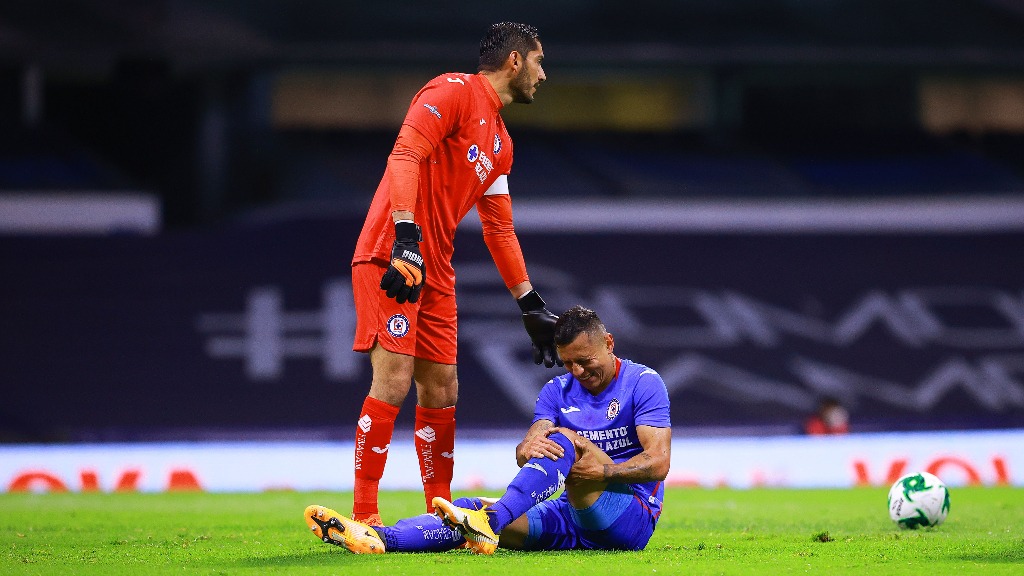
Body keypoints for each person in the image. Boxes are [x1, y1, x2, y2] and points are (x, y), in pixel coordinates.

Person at [346, 22, 562, 527]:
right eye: (539, 61)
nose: (543, 74)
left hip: (436, 267)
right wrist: (405, 237)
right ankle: (364, 515)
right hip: (394, 252)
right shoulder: (452, 91)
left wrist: (529, 303)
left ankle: (439, 516)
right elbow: (405, 155)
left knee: (442, 389)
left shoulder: (502, 144)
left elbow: (499, 230)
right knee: (394, 380)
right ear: (514, 61)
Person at [306, 305, 672, 554]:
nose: (576, 371)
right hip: (568, 515)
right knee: (464, 510)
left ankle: (491, 522)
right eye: (568, 363)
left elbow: (658, 463)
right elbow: (528, 450)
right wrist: (528, 444)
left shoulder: (643, 382)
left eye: (585, 361)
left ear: (609, 344)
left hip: (630, 516)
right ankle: (379, 538)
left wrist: (604, 471)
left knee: (563, 442)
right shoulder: (555, 392)